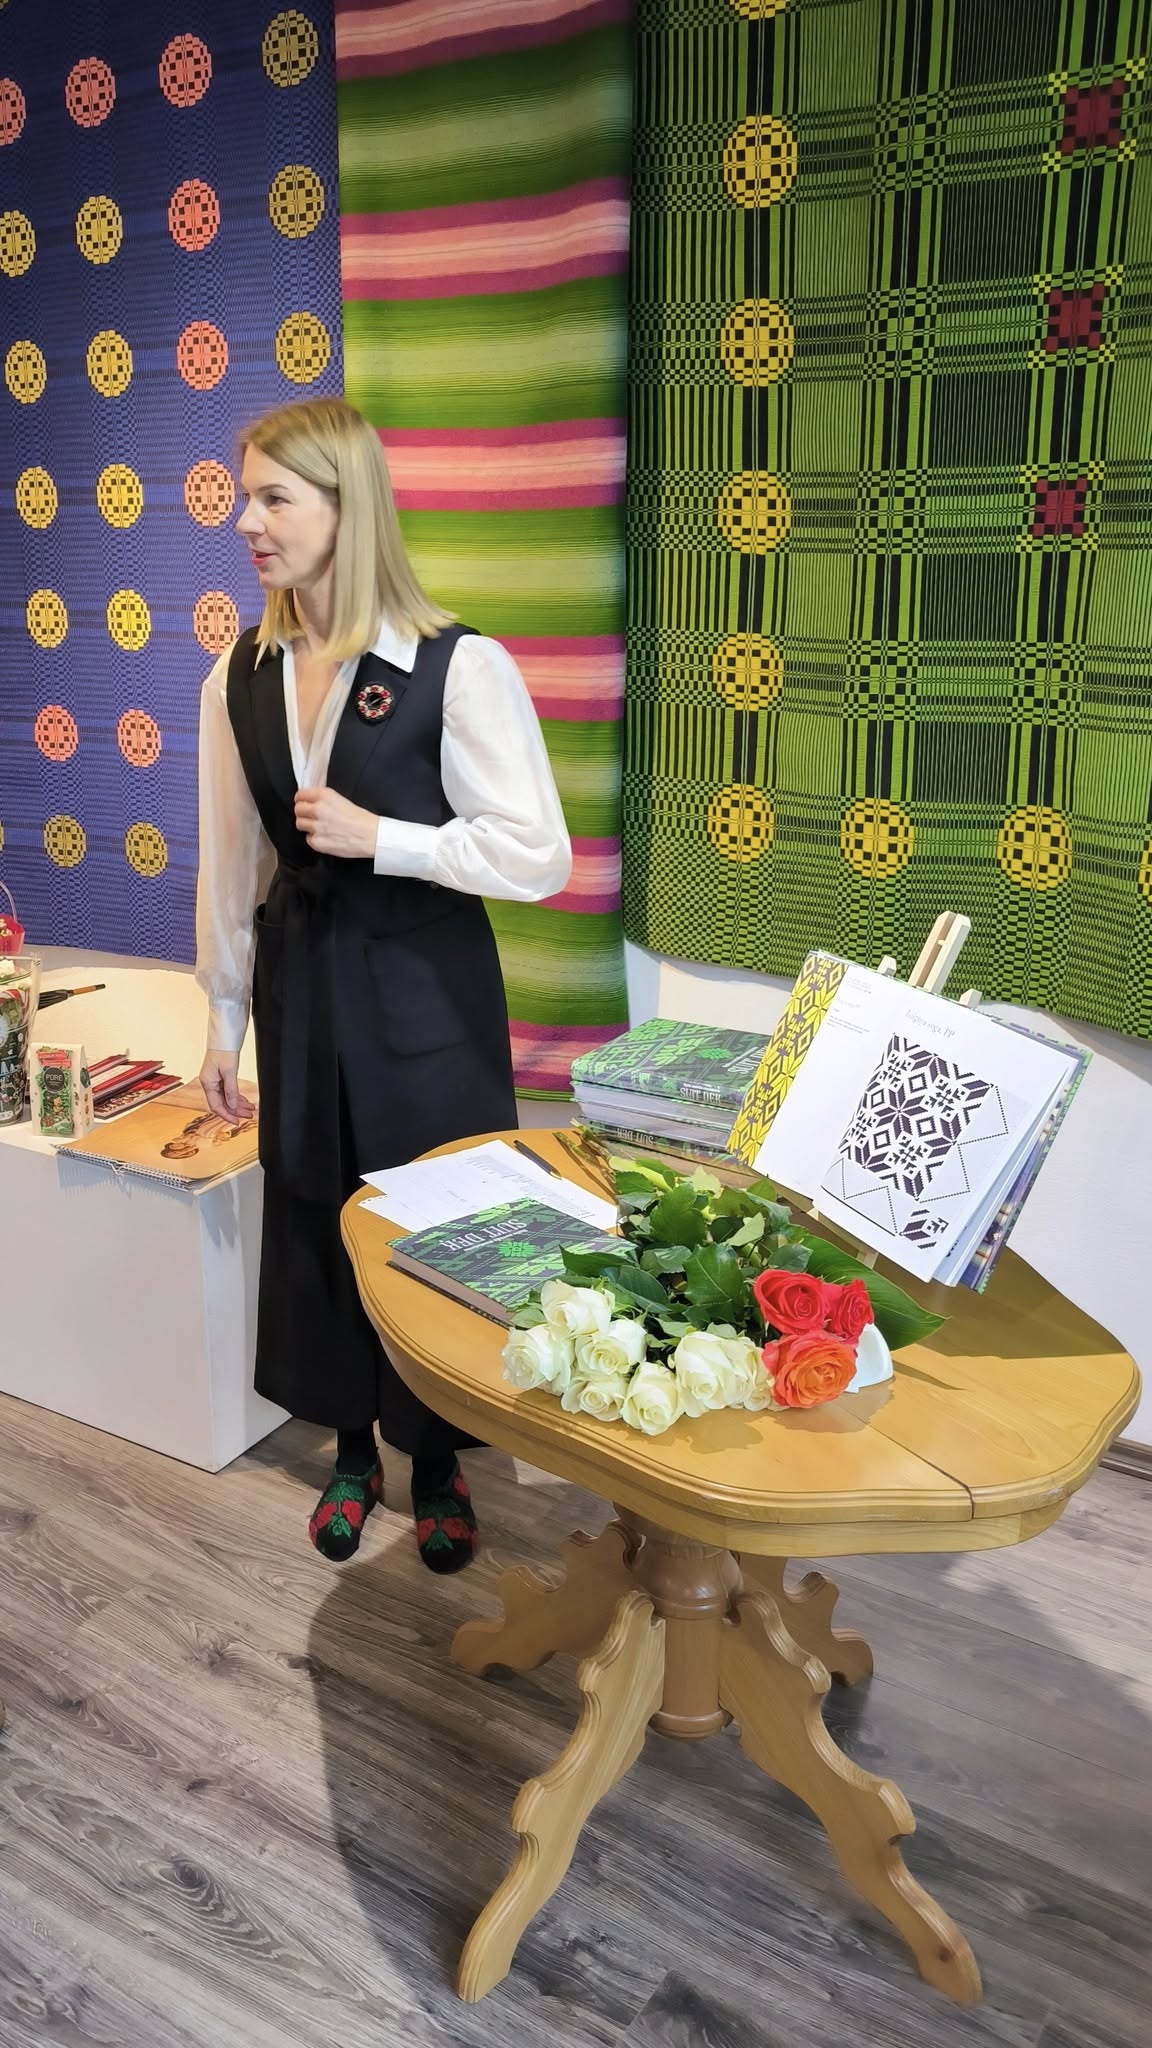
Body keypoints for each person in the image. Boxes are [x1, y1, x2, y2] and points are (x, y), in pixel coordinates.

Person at [195, 397, 571, 1572]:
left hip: (425, 996)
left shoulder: (458, 665)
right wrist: (221, 1018)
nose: (246, 520)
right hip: (302, 986)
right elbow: (232, 862)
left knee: (439, 1219)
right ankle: (353, 1450)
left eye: (273, 497)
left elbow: (539, 854)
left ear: (344, 507)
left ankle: (441, 1461)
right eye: (245, 495)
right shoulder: (237, 674)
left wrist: (387, 837)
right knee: (315, 1210)